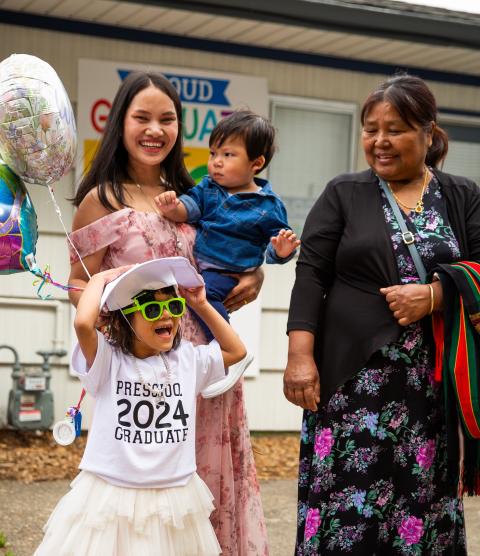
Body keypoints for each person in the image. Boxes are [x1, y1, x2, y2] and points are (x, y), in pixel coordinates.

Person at [68, 72, 269, 555]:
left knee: (209, 485)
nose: (154, 129)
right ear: (121, 122)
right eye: (142, 117)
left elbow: (231, 252)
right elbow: (76, 282)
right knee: (145, 503)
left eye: (167, 119)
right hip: (139, 373)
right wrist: (99, 318)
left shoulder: (197, 194)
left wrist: (256, 274)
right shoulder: (101, 200)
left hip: (202, 363)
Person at [284, 73, 480, 555]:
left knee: (421, 508)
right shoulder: (344, 192)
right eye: (371, 129)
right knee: (347, 506)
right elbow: (311, 275)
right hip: (351, 388)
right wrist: (300, 356)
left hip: (431, 392)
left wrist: (434, 295)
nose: (380, 141)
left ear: (428, 133)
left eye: (395, 129)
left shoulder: (460, 196)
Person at [35, 257, 246, 555]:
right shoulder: (108, 360)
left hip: (173, 495)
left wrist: (199, 304)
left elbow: (235, 350)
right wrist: (101, 279)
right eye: (151, 309)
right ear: (125, 319)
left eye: (173, 307)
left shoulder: (187, 360)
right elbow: (83, 322)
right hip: (112, 494)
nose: (167, 316)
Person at [155, 109, 300, 342]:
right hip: (201, 266)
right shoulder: (208, 187)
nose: (216, 162)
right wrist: (173, 208)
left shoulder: (268, 204)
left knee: (205, 295)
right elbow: (190, 208)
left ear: (257, 163)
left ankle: (223, 342)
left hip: (228, 272)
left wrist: (282, 250)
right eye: (213, 153)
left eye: (228, 154)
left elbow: (277, 244)